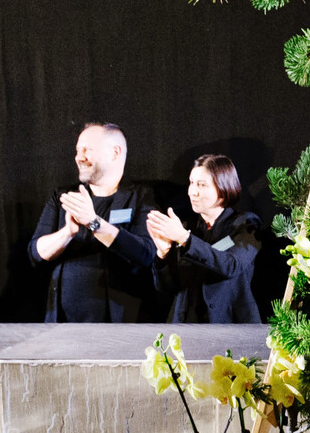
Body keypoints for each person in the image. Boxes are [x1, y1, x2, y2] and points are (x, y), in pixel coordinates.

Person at [29, 123, 155, 322]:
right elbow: (36, 253)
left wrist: (94, 222)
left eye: (88, 150)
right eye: (78, 150)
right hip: (63, 324)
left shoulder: (141, 198)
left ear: (115, 153)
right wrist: (67, 232)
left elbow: (146, 254)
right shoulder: (64, 196)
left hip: (117, 325)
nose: (80, 157)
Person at [147, 154, 261, 323]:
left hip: (230, 327)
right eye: (191, 183)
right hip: (185, 327)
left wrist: (185, 239)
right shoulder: (186, 226)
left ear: (223, 189)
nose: (193, 191)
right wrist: (162, 254)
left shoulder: (247, 224)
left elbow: (231, 265)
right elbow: (166, 288)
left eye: (201, 185)